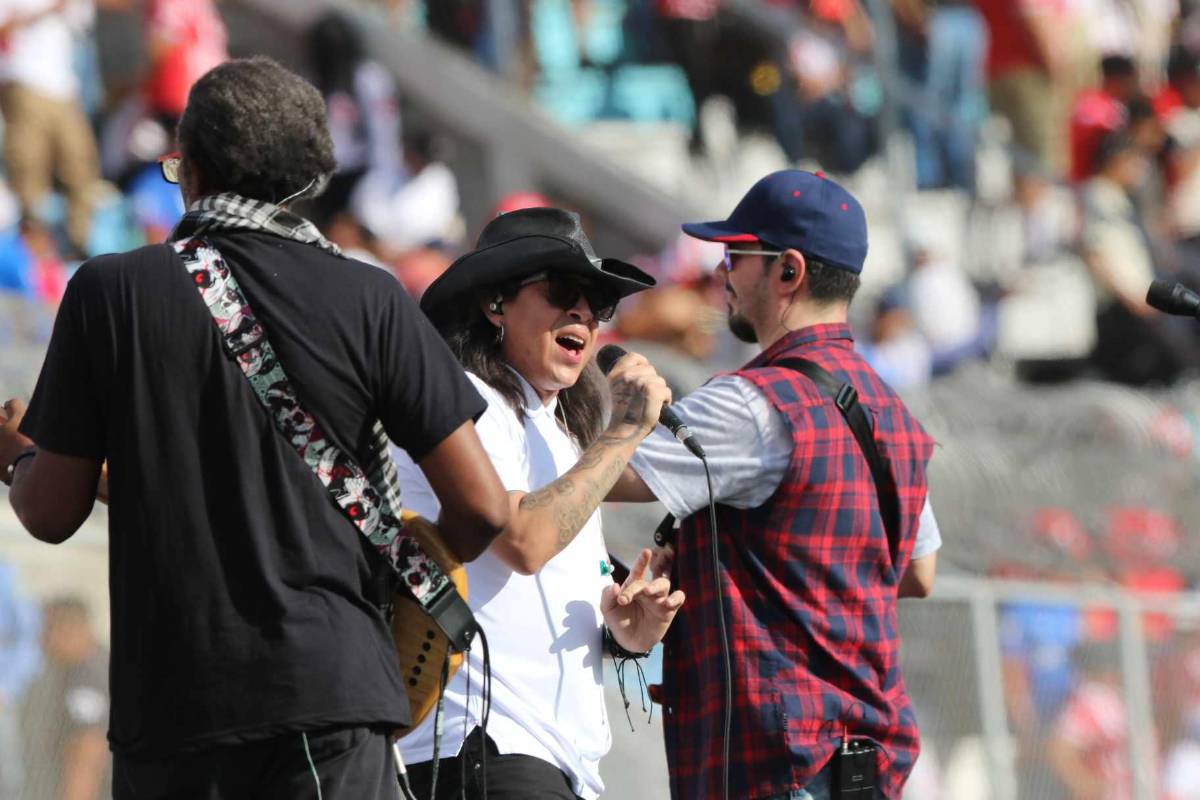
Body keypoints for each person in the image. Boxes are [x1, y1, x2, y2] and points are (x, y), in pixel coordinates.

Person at [0, 57, 510, 799]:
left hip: (176, 714)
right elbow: (486, 510)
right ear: (310, 176)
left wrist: (17, 459)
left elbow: (50, 512)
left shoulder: (113, 292)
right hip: (333, 697)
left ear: (195, 170)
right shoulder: (371, 295)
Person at [608, 170, 943, 799]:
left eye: (736, 256)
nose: (722, 274)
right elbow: (919, 573)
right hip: (865, 772)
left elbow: (601, 479)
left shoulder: (750, 403)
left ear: (788, 271)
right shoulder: (894, 412)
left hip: (779, 765)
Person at [391, 206, 685, 800]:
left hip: (551, 758)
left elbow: (536, 588)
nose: (583, 312)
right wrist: (624, 430)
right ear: (494, 304)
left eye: (597, 304)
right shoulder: (465, 398)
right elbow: (522, 541)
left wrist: (626, 630)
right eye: (560, 290)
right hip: (483, 745)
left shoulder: (557, 430)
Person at [19, 596, 109, 800]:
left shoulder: (86, 676)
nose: (41, 640)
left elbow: (86, 749)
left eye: (46, 630)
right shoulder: (103, 662)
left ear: (69, 629)